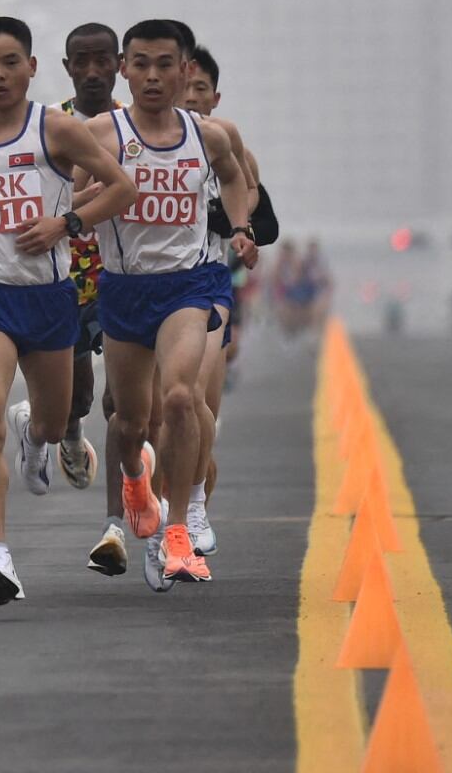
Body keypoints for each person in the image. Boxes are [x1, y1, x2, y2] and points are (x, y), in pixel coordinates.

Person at [0, 15, 135, 605]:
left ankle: (35, 434)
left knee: (49, 419)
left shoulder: (56, 129)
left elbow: (120, 186)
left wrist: (66, 222)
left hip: (50, 300)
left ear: (33, 68)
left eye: (10, 63)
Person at [82, 19, 257, 593]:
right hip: (126, 287)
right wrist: (88, 206)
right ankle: (135, 479)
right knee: (131, 421)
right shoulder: (101, 135)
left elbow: (234, 180)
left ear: (185, 72)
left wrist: (238, 228)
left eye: (165, 64)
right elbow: (74, 197)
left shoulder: (208, 136)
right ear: (123, 70)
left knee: (180, 397)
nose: (152, 76)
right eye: (140, 64)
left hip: (189, 283)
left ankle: (177, 528)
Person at [181, 44, 278, 559]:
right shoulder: (134, 143)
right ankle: (155, 514)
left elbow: (266, 225)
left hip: (210, 288)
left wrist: (228, 221)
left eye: (202, 90)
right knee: (142, 418)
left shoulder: (229, 151)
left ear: (215, 98)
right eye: (185, 86)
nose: (192, 99)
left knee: (197, 410)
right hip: (144, 292)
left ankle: (193, 513)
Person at [53, 22, 139, 577]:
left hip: (123, 277)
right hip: (64, 278)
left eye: (101, 60)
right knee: (79, 396)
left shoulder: (134, 126)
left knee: (123, 405)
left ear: (119, 65)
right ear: (67, 67)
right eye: (80, 61)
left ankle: (114, 525)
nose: (91, 71)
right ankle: (67, 430)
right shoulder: (52, 127)